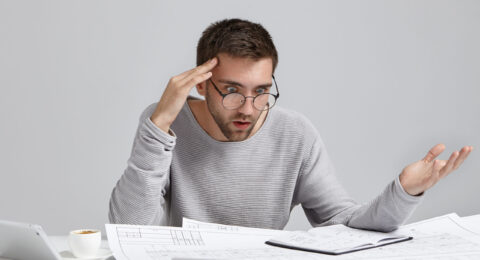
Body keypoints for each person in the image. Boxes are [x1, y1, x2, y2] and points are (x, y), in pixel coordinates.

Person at [108, 18, 473, 231]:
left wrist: (403, 192)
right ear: (201, 84)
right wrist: (159, 125)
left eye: (262, 90)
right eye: (232, 90)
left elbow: (343, 224)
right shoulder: (165, 126)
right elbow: (129, 229)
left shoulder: (294, 134)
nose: (248, 109)